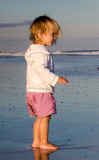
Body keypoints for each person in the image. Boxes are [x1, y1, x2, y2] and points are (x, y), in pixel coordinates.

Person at [25, 15, 68, 150]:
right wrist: (55, 79)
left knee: (40, 117)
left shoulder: (33, 51)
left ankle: (36, 142)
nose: (55, 38)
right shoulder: (41, 53)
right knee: (45, 117)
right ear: (41, 34)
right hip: (41, 90)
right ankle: (43, 142)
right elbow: (41, 70)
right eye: (53, 35)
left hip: (32, 90)